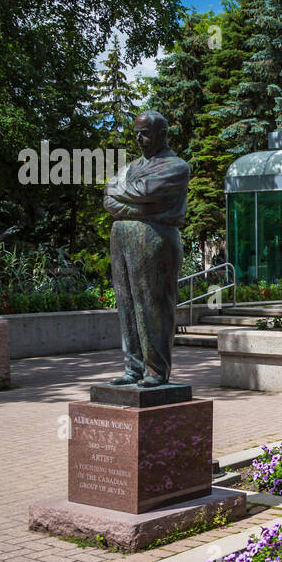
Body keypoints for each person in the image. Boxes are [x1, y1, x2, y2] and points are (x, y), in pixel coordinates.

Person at [103, 111, 189, 387]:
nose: (139, 139)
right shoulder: (131, 167)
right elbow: (109, 196)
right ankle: (134, 368)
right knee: (126, 304)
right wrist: (136, 207)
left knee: (153, 305)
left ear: (162, 133)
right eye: (137, 133)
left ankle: (156, 370)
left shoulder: (175, 166)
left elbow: (144, 191)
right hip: (123, 238)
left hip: (155, 239)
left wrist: (127, 200)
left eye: (145, 133)